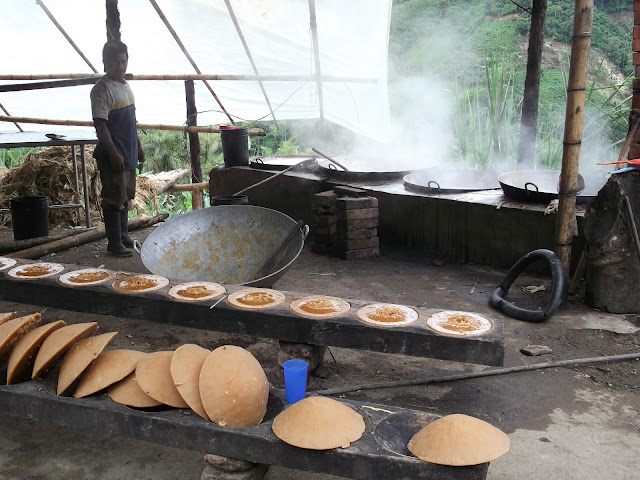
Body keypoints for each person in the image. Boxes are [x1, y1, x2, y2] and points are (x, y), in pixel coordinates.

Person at [90, 40, 145, 257]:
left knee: (125, 196)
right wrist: (113, 154)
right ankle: (114, 243)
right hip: (114, 153)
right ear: (105, 63)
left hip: (128, 153)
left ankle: (123, 235)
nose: (120, 66)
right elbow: (100, 126)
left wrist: (138, 146)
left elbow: (131, 121)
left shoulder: (124, 86)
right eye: (115, 62)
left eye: (123, 61)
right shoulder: (101, 89)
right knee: (114, 199)